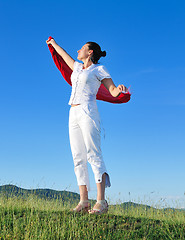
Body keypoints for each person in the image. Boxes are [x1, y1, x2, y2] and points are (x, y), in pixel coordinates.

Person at [46, 38, 127, 214]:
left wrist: (119, 89)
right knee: (78, 157)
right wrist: (53, 44)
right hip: (72, 113)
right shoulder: (76, 67)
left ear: (90, 52)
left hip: (88, 112)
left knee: (93, 154)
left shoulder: (99, 69)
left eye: (82, 48)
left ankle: (101, 201)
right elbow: (63, 54)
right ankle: (84, 201)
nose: (78, 51)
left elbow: (112, 90)